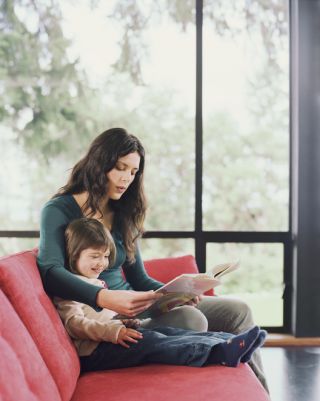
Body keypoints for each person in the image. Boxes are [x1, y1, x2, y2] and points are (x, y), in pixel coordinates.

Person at [37, 127, 268, 391]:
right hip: (109, 317)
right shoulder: (59, 210)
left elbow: (139, 279)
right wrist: (102, 297)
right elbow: (49, 270)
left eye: (133, 172)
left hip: (140, 305)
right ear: (98, 164)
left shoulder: (123, 212)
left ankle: (260, 394)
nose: (126, 179)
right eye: (120, 168)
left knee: (239, 311)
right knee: (192, 320)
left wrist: (176, 294)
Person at [53, 217, 267, 372]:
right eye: (94, 256)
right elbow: (74, 323)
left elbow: (103, 315)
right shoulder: (69, 287)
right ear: (73, 255)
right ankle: (219, 352)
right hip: (96, 351)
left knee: (169, 334)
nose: (102, 262)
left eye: (106, 256)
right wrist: (112, 332)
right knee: (159, 341)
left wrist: (125, 323)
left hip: (114, 335)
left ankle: (229, 341)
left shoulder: (94, 280)